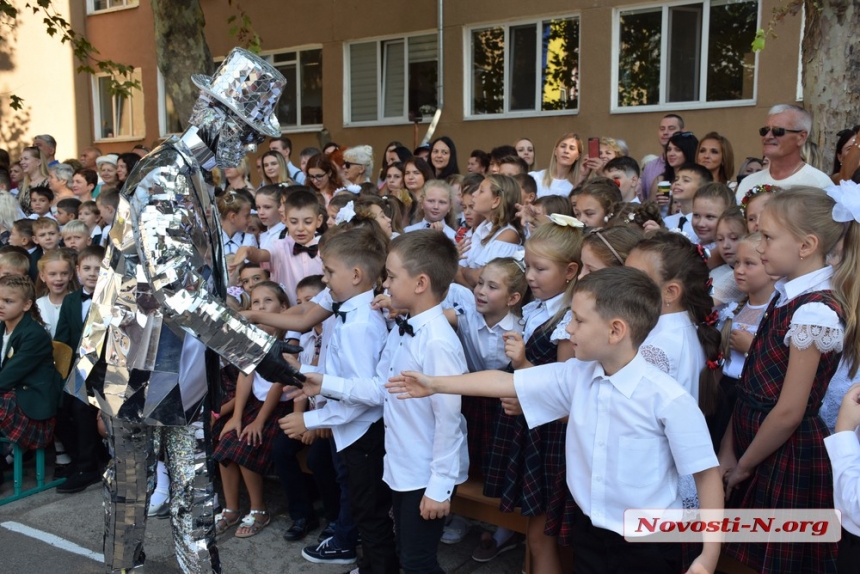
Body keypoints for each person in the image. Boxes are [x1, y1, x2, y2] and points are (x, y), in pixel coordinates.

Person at [66, 48, 304, 574]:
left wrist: (243, 335)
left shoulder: (194, 173)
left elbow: (201, 281)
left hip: (182, 354)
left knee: (195, 481)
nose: (247, 146)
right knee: (132, 482)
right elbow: (173, 288)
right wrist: (255, 350)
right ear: (216, 117)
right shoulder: (162, 176)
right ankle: (122, 564)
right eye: (244, 132)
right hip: (131, 353)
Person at [387, 266, 724, 574]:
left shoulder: (668, 399)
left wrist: (708, 558)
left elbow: (707, 477)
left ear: (616, 330)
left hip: (648, 541)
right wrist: (433, 384)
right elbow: (506, 382)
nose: (568, 328)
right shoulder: (577, 374)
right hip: (589, 529)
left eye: (578, 320)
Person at [292, 230, 469, 574]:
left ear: (420, 283)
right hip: (401, 463)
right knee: (406, 553)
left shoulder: (436, 342)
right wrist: (323, 381)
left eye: (390, 276)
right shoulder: (404, 326)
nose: (384, 284)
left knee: (418, 563)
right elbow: (379, 390)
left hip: (425, 471)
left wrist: (440, 486)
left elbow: (449, 421)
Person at [719, 187, 860, 573]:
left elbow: (789, 411)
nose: (759, 245)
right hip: (752, 443)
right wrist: (729, 449)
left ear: (806, 245)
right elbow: (751, 387)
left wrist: (745, 463)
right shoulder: (786, 295)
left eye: (768, 237)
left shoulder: (815, 310)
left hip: (783, 454)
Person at [279, 227, 398, 570]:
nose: (325, 279)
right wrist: (302, 371)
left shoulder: (361, 324)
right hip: (351, 433)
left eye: (330, 272)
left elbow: (368, 395)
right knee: (364, 511)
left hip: (362, 435)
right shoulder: (350, 316)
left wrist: (311, 420)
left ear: (356, 275)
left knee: (371, 515)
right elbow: (341, 379)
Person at [213, 281, 294, 538]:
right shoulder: (251, 340)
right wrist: (236, 417)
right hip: (254, 405)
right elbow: (245, 376)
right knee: (227, 439)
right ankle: (231, 509)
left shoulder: (289, 340)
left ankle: (259, 510)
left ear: (283, 307)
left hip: (278, 408)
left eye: (267, 302)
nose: (260, 308)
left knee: (247, 443)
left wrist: (258, 421)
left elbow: (279, 384)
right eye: (256, 303)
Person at [0, 274, 65, 488]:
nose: (1, 305)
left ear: (27, 304)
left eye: (8, 301)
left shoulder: (34, 335)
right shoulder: (1, 327)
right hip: (10, 395)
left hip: (32, 405)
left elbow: (8, 376)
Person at [231, 189, 324, 307]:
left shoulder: (326, 246)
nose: (300, 228)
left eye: (307, 222)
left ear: (318, 221)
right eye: (294, 222)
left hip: (323, 316)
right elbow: (260, 254)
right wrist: (247, 250)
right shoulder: (279, 246)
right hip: (287, 318)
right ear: (284, 220)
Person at [735, 104, 833, 200]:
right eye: (765, 130)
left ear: (801, 137)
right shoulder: (748, 182)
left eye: (778, 131)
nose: (768, 136)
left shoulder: (819, 184)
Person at [457, 175, 521, 288]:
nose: (474, 194)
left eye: (481, 191)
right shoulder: (481, 228)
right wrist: (468, 272)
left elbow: (482, 279)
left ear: (496, 201)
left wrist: (463, 271)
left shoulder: (508, 234)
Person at [663, 163, 714, 242]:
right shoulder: (667, 221)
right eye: (676, 179)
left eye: (686, 180)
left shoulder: (703, 226)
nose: (677, 183)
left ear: (702, 188)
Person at [35, 248, 77, 337]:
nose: (59, 279)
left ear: (71, 275)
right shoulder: (37, 305)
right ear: (42, 276)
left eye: (64, 273)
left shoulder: (78, 303)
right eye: (52, 274)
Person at [529, 133, 584, 198]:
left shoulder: (578, 185)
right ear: (555, 151)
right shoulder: (534, 178)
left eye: (571, 148)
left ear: (578, 156)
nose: (566, 151)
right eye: (563, 146)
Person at [641, 113, 685, 194]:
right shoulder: (649, 167)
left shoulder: (693, 165)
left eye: (671, 128)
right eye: (662, 128)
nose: (665, 132)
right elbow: (645, 200)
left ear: (682, 131)